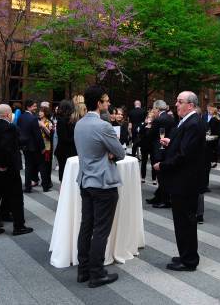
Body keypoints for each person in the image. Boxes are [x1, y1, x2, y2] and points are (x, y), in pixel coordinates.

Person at [75, 85, 126, 288]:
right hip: (103, 183)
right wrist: (111, 153)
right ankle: (97, 273)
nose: (108, 104)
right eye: (106, 101)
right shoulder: (103, 126)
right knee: (101, 229)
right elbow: (120, 153)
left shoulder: (79, 124)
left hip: (85, 181)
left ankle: (83, 270)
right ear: (98, 103)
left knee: (86, 226)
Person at [154, 91, 206, 271]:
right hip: (183, 181)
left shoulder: (193, 123)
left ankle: (189, 260)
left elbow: (184, 155)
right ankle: (185, 254)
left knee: (186, 221)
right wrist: (171, 141)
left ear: (190, 105)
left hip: (185, 182)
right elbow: (183, 145)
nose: (176, 104)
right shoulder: (188, 121)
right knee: (182, 221)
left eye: (179, 101)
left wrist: (163, 165)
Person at [0, 104, 33, 237]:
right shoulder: (10, 128)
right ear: (7, 114)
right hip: (8, 169)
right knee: (16, 197)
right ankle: (19, 226)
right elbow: (5, 148)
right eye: (11, 114)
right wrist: (3, 164)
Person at [147, 100, 176, 208]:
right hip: (168, 150)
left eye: (153, 109)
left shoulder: (158, 119)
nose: (152, 111)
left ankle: (164, 199)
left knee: (161, 176)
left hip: (159, 150)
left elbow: (150, 135)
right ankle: (158, 196)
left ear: (157, 109)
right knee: (164, 175)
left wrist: (148, 126)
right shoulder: (171, 118)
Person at [18, 100, 48, 193]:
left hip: (25, 146)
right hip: (35, 147)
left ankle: (27, 187)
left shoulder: (21, 118)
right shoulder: (33, 118)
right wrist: (43, 147)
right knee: (42, 166)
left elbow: (19, 131)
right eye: (34, 106)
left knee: (28, 166)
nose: (36, 108)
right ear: (28, 107)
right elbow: (37, 134)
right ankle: (45, 186)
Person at [54, 100, 77, 182]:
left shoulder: (68, 120)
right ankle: (63, 189)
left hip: (67, 151)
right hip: (64, 152)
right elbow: (64, 138)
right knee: (63, 171)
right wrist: (76, 137)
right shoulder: (61, 121)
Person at [137, 110, 155, 183]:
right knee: (144, 162)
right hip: (144, 146)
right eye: (149, 117)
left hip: (152, 146)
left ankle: (154, 179)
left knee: (153, 162)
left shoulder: (154, 126)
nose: (150, 119)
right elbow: (140, 135)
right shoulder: (143, 126)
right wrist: (145, 125)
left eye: (151, 117)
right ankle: (143, 177)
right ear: (147, 118)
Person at [38, 107, 54, 187]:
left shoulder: (49, 122)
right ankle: (44, 180)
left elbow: (51, 134)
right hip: (38, 146)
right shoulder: (37, 121)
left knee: (47, 165)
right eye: (39, 111)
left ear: (45, 113)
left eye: (41, 112)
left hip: (47, 147)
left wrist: (44, 126)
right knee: (41, 165)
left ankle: (47, 181)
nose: (39, 113)